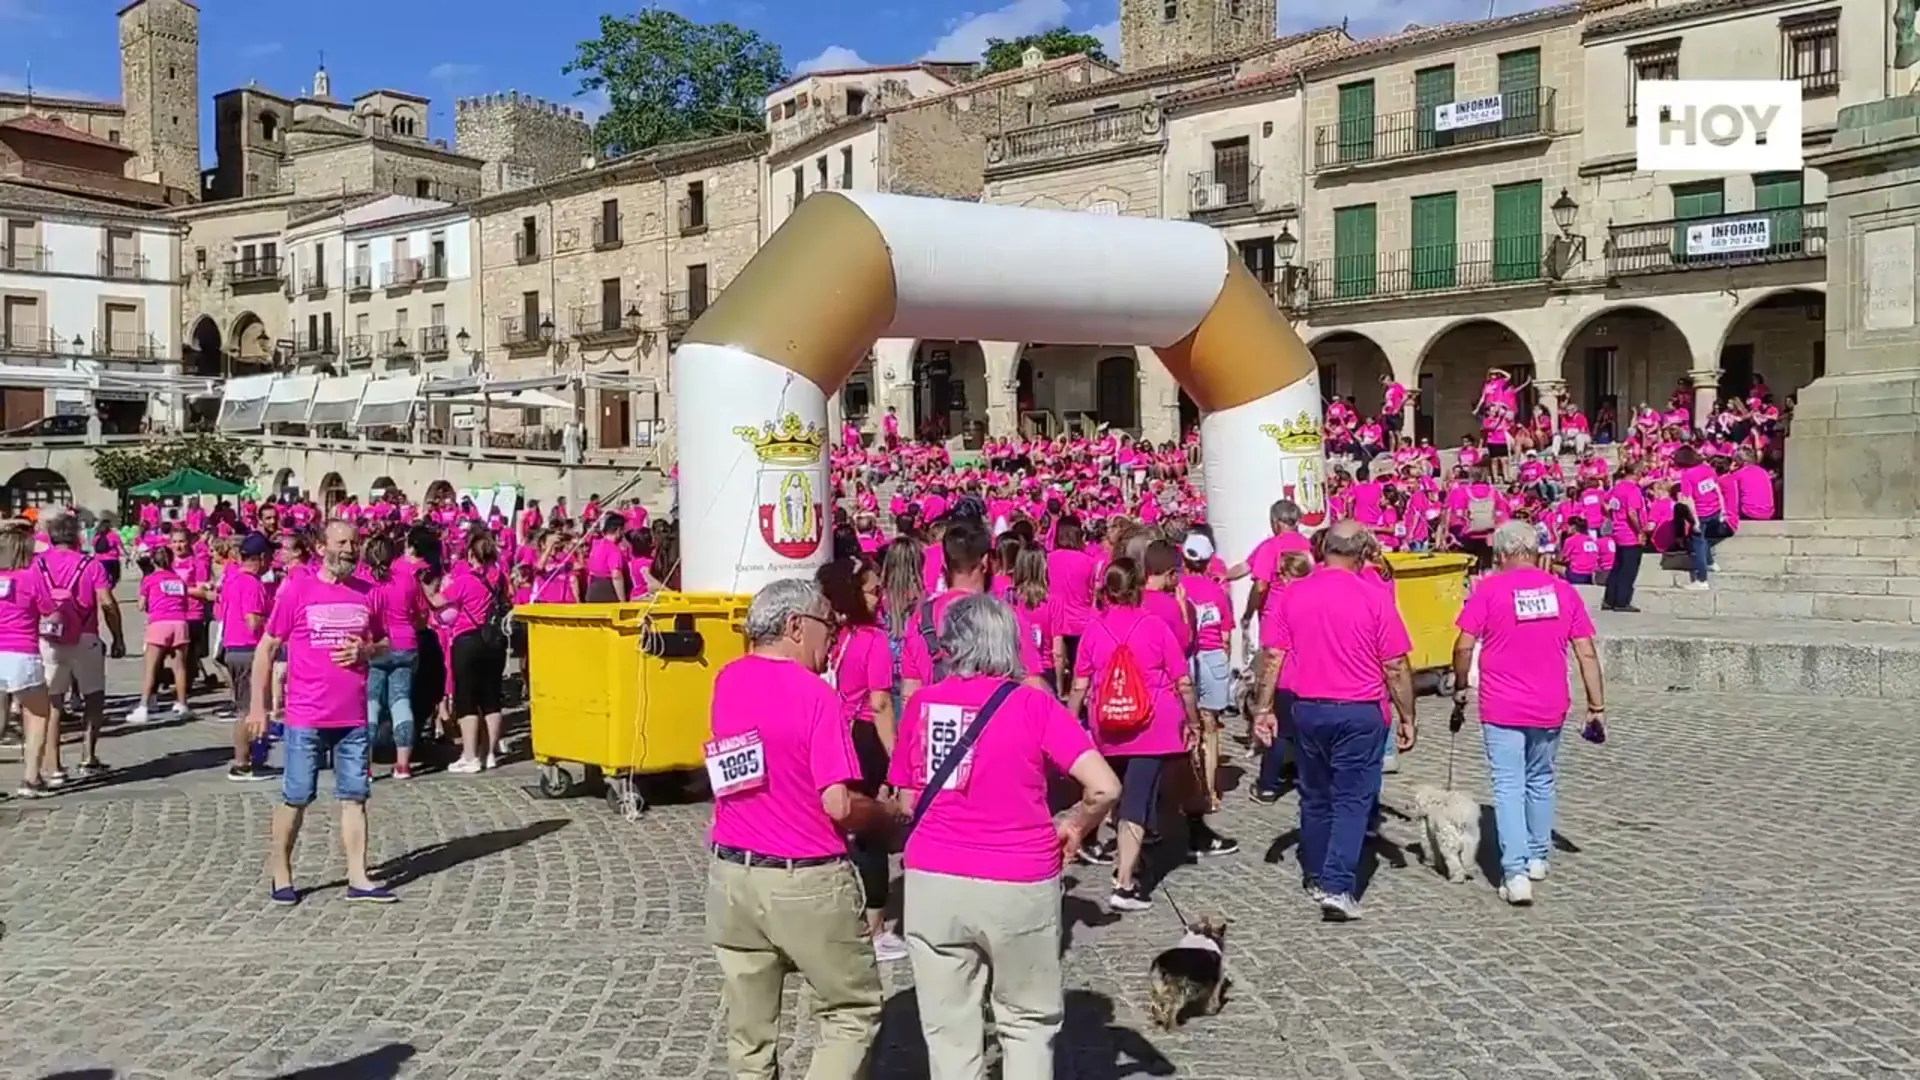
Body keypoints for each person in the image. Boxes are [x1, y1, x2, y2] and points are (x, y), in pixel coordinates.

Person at [890, 594, 1121, 1080]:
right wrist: (1076, 822)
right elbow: (1104, 786)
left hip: (934, 877)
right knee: (1026, 1024)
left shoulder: (922, 705)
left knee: (948, 1028)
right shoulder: (1034, 706)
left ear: (952, 645)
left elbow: (909, 801)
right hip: (1018, 878)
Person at [704, 578, 888, 1080]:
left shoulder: (727, 680)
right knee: (850, 1012)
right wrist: (886, 816)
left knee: (749, 1031)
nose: (832, 640)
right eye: (827, 627)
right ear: (794, 626)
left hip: (733, 874)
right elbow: (837, 803)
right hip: (804, 876)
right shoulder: (816, 696)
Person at [1252, 521, 1416, 922]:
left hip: (1308, 707)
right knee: (1351, 799)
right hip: (1359, 709)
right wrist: (1408, 715)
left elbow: (1272, 656)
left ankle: (1314, 872)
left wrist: (1263, 708)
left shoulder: (1294, 593)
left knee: (1315, 793)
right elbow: (1395, 664)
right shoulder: (1375, 596)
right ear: (1361, 554)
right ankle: (1338, 885)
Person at [1451, 520, 1606, 906]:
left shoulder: (1488, 590)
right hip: (1549, 702)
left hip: (1502, 704)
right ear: (1535, 551)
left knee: (1508, 787)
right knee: (1541, 780)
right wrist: (1596, 704)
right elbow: (1586, 651)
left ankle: (1515, 871)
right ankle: (1538, 856)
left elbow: (1463, 645)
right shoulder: (1562, 591)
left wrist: (1458, 685)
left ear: (1501, 554)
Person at [244, 520, 395, 905]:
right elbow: (267, 647)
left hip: (353, 717)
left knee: (355, 796)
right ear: (322, 546)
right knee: (296, 795)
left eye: (354, 543)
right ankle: (281, 873)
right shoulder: (298, 588)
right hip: (306, 715)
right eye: (342, 542)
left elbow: (385, 643)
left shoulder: (367, 593)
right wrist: (258, 706)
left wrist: (366, 652)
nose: (349, 549)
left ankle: (358, 877)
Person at [1064, 557, 1202, 913]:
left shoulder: (1094, 629)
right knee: (1137, 801)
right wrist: (1193, 721)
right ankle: (1124, 882)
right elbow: (1183, 683)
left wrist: (1069, 724)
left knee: (1121, 793)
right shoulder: (1155, 627)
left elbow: (1079, 685)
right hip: (1152, 724)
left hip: (1108, 724)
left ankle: (1121, 856)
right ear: (1139, 587)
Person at [817, 556, 907, 963]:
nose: (880, 597)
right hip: (868, 735)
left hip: (842, 732)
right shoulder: (872, 640)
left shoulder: (839, 638)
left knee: (849, 828)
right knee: (870, 829)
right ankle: (876, 928)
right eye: (873, 590)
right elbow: (882, 702)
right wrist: (900, 760)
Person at [36, 512, 125, 780]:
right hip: (86, 636)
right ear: (76, 536)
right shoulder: (91, 564)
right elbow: (107, 603)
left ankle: (53, 764)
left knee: (53, 702)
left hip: (49, 637)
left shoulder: (37, 564)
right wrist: (118, 636)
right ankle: (88, 755)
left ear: (50, 537)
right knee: (94, 697)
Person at [429, 532, 509, 773]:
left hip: (468, 639)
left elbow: (437, 601)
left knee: (467, 700)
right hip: (494, 641)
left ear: (472, 556)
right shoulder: (499, 578)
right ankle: (490, 753)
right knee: (492, 699)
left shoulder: (464, 580)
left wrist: (427, 588)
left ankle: (470, 755)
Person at [1, 524, 59, 798]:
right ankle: (31, 777)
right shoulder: (31, 577)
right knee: (38, 713)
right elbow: (49, 610)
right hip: (22, 651)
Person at [363, 533, 426, 779]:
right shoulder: (408, 579)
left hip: (375, 645)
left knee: (371, 704)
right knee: (401, 702)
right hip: (406, 643)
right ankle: (403, 764)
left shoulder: (364, 583)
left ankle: (365, 765)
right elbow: (421, 615)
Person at [216, 533, 275, 781]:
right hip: (248, 649)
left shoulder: (234, 580)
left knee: (247, 707)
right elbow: (252, 621)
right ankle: (241, 763)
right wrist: (272, 619)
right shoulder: (252, 584)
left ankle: (248, 758)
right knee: (248, 709)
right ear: (261, 558)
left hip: (233, 648)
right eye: (269, 557)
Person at [129, 545, 198, 724]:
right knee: (180, 667)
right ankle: (182, 703)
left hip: (159, 622)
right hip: (180, 622)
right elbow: (184, 602)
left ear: (152, 561)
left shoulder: (150, 579)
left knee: (151, 666)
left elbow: (141, 605)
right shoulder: (179, 580)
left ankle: (144, 705)